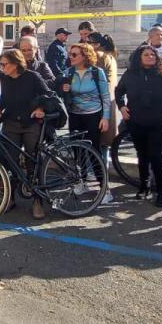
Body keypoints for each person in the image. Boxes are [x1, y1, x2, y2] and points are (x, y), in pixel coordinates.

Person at [0, 48, 50, 218]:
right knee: (10, 162)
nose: (1, 68)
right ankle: (9, 199)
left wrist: (40, 108)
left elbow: (47, 95)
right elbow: (4, 99)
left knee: (33, 161)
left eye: (4, 64)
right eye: (0, 64)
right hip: (11, 123)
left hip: (31, 123)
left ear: (16, 64)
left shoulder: (32, 77)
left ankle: (37, 201)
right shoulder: (6, 79)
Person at [114, 45, 162, 206]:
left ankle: (161, 191)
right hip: (136, 122)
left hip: (158, 123)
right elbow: (119, 91)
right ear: (139, 58)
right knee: (142, 155)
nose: (150, 57)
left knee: (156, 157)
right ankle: (144, 186)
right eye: (146, 55)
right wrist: (121, 106)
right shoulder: (130, 75)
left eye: (152, 55)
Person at [60, 42, 114, 203]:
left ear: (85, 56)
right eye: (70, 54)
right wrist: (64, 90)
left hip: (93, 116)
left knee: (94, 152)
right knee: (77, 151)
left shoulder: (97, 73)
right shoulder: (69, 72)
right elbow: (64, 94)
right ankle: (82, 182)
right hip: (75, 116)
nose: (71, 57)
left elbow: (105, 97)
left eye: (75, 54)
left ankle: (105, 189)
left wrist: (105, 118)